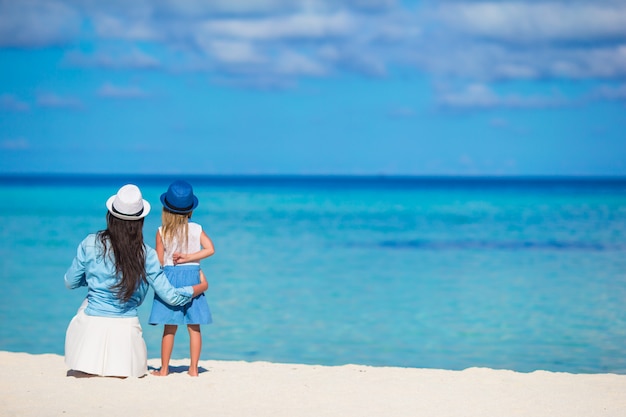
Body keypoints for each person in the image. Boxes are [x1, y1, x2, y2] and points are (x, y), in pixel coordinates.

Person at [64, 184, 208, 378]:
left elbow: (70, 282)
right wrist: (200, 287)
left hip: (85, 349)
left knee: (88, 301)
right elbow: (172, 298)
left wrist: (95, 281)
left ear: (111, 215)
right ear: (140, 220)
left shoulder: (90, 242)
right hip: (127, 347)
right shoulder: (146, 254)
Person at [148, 180, 215, 377]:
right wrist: (190, 258)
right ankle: (193, 369)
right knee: (195, 328)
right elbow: (210, 249)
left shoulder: (162, 232)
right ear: (190, 210)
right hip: (193, 278)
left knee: (170, 328)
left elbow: (160, 261)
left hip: (170, 279)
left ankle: (164, 369)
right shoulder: (196, 228)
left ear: (166, 209)